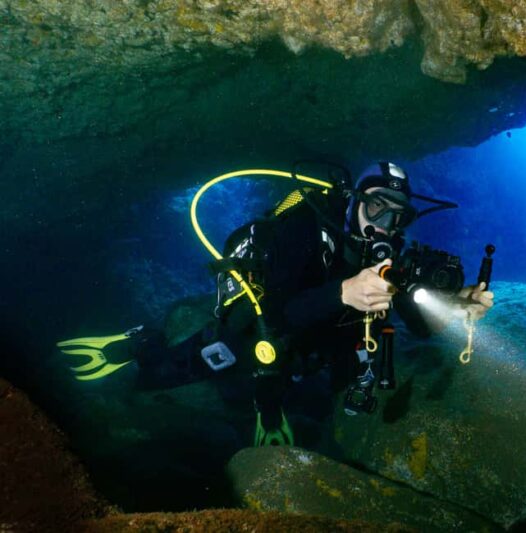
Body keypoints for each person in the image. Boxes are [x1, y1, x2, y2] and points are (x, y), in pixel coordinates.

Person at [58, 162, 493, 446]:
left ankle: (272, 401)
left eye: (397, 216)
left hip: (312, 354)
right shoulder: (304, 227)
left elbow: (418, 323)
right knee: (175, 372)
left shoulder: (388, 255)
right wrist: (341, 292)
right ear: (354, 203)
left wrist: (456, 305)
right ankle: (141, 344)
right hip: (257, 333)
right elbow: (269, 314)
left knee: (292, 381)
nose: (385, 225)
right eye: (377, 208)